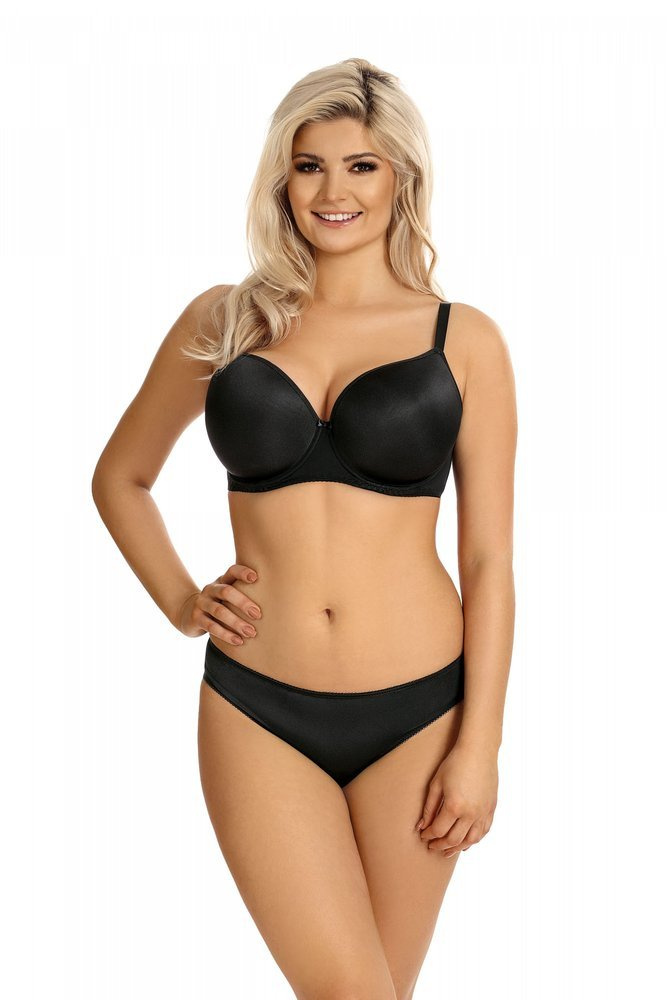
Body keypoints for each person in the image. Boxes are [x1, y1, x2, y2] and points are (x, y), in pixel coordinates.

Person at [92, 57, 517, 1000]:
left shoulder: (463, 340)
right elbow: (121, 478)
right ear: (280, 178)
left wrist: (480, 744)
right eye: (309, 165)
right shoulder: (227, 321)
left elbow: (488, 559)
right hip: (258, 708)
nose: (333, 192)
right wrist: (180, 600)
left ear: (401, 176)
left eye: (361, 166)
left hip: (420, 713)